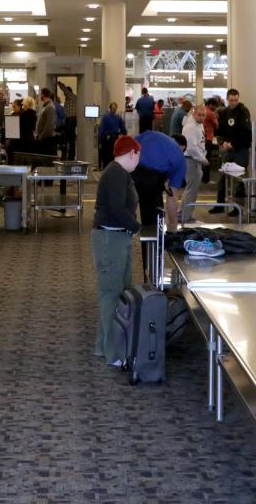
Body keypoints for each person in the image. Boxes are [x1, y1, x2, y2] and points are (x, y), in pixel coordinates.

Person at [92, 135, 142, 368]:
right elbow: (116, 208)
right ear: (132, 152)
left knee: (117, 292)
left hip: (117, 238)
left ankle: (104, 346)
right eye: (138, 156)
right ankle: (113, 353)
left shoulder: (120, 173)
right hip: (109, 239)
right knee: (111, 295)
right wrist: (137, 227)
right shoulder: (116, 174)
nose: (139, 161)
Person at [133, 127, 186, 232]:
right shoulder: (181, 159)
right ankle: (152, 245)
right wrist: (173, 228)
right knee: (153, 223)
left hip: (133, 171)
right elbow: (172, 197)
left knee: (127, 211)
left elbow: (129, 146)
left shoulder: (152, 133)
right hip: (153, 180)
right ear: (183, 147)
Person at [212, 89, 252, 213]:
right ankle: (220, 205)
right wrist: (222, 142)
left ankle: (237, 208)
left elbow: (244, 131)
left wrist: (232, 143)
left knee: (238, 180)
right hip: (228, 149)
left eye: (235, 100)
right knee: (223, 177)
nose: (233, 102)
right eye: (231, 100)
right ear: (227, 99)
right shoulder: (224, 112)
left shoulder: (243, 111)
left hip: (240, 149)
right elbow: (221, 130)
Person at [181, 104, 209, 223]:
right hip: (192, 160)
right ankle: (186, 218)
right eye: (199, 115)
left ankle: (181, 215)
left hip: (194, 160)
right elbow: (191, 148)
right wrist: (203, 158)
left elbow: (200, 143)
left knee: (190, 190)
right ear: (194, 114)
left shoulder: (198, 125)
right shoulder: (191, 127)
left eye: (204, 115)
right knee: (191, 191)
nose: (202, 117)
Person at [97, 101, 127, 170]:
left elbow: (102, 130)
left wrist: (100, 141)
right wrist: (122, 132)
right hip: (115, 139)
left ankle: (106, 170)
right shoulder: (118, 118)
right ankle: (113, 170)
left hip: (107, 139)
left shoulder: (105, 117)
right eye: (114, 109)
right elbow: (124, 130)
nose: (114, 110)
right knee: (113, 155)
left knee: (106, 156)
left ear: (109, 108)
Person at [58, 80, 78, 159]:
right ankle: (70, 156)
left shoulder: (72, 97)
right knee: (70, 140)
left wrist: (60, 84)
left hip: (71, 120)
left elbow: (65, 90)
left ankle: (69, 156)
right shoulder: (68, 101)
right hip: (70, 120)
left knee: (68, 139)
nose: (64, 95)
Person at [35, 87, 58, 155]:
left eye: (40, 94)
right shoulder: (45, 106)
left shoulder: (50, 107)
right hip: (43, 138)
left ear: (43, 95)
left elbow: (49, 125)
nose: (40, 96)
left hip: (47, 139)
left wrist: (41, 136)